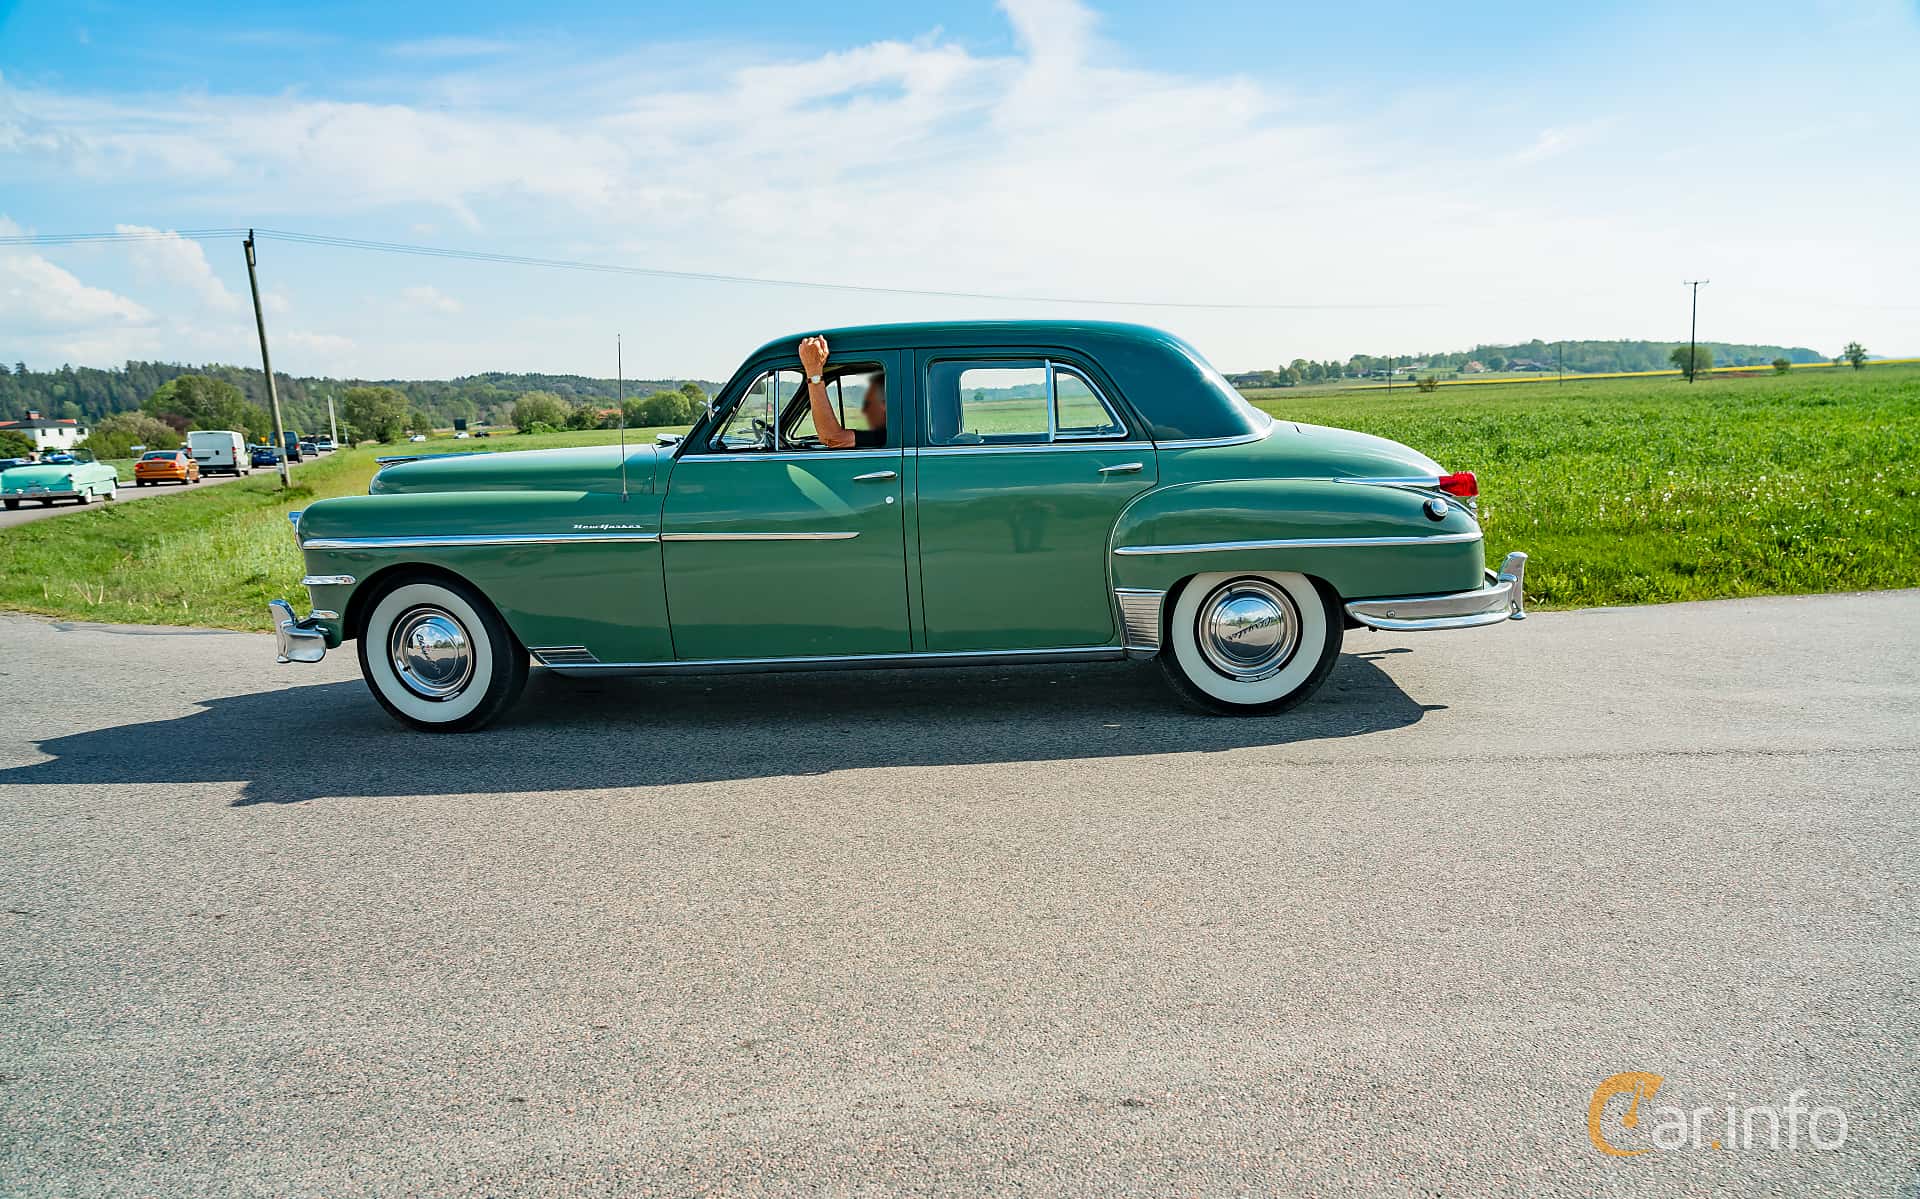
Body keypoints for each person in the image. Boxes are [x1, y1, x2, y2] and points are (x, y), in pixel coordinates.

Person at [797, 335, 885, 448]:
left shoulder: (892, 434)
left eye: (867, 404)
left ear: (884, 405)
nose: (864, 410)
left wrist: (813, 370)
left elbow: (833, 439)